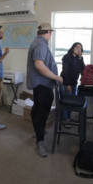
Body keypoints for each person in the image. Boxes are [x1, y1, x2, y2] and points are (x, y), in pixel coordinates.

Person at [26, 22, 63, 158]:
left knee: (37, 108)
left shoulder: (37, 42)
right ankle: (39, 142)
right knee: (42, 112)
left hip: (39, 84)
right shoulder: (41, 44)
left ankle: (37, 131)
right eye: (51, 32)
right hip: (43, 84)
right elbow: (39, 65)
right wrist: (57, 77)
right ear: (48, 32)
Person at [60, 42, 86, 129]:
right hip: (66, 83)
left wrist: (81, 58)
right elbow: (65, 71)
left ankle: (68, 118)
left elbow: (83, 70)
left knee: (71, 103)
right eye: (77, 48)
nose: (79, 50)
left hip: (74, 84)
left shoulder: (78, 58)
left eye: (80, 48)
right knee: (65, 102)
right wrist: (68, 84)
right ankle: (64, 119)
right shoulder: (67, 56)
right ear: (73, 48)